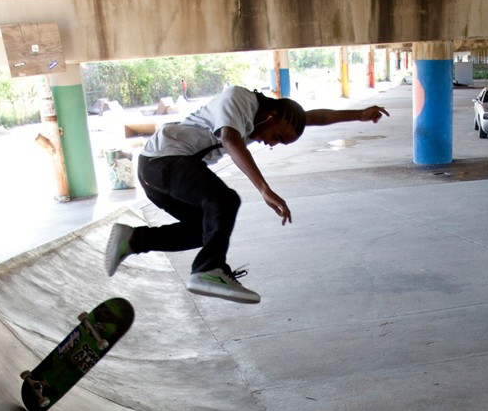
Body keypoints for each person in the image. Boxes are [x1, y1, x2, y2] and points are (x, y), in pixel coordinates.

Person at [105, 86, 390, 303]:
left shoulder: (258, 119)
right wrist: (264, 189)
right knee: (225, 200)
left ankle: (133, 240)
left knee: (202, 231)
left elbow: (312, 117)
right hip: (163, 161)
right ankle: (209, 269)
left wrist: (359, 114)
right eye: (278, 137)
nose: (272, 144)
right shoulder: (238, 99)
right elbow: (229, 138)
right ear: (271, 115)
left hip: (160, 174)